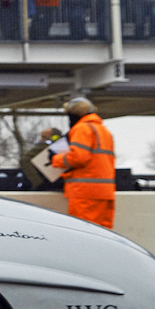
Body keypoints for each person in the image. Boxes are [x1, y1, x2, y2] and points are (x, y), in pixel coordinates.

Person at [50, 97, 116, 228]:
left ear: (73, 114)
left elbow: (78, 158)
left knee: (83, 233)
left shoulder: (81, 129)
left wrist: (56, 159)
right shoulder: (104, 130)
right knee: (103, 236)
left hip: (84, 193)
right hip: (105, 192)